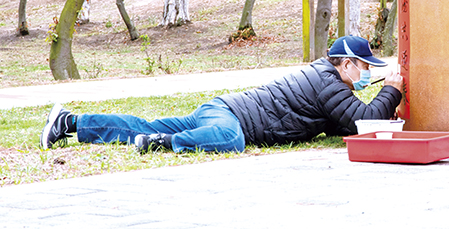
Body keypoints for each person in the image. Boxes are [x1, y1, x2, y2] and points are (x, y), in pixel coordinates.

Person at [41, 36, 404, 154]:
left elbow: (345, 124)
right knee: (231, 139)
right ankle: (161, 142)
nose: (367, 72)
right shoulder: (327, 81)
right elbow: (364, 122)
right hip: (229, 116)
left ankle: (70, 122)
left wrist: (382, 92)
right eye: (364, 66)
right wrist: (392, 88)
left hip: (219, 108)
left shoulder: (328, 80)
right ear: (346, 64)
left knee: (144, 122)